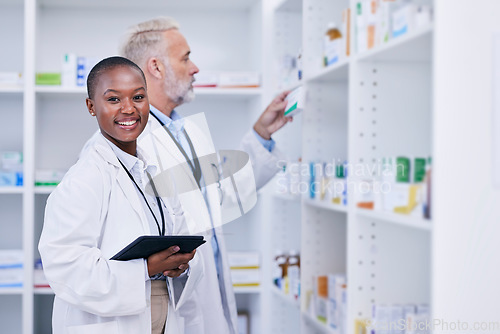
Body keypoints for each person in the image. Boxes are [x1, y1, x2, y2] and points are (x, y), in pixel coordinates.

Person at [121, 17, 292, 334]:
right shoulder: (130, 142)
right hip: (165, 307)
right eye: (185, 58)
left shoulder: (184, 131)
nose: (195, 67)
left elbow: (221, 199)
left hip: (206, 297)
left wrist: (262, 134)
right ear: (156, 67)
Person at [38, 56, 201, 334]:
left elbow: (180, 228)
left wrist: (179, 263)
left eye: (138, 97)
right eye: (113, 99)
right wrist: (145, 269)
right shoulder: (83, 179)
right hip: (107, 321)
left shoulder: (154, 170)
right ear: (91, 107)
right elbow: (65, 267)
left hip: (162, 310)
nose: (129, 109)